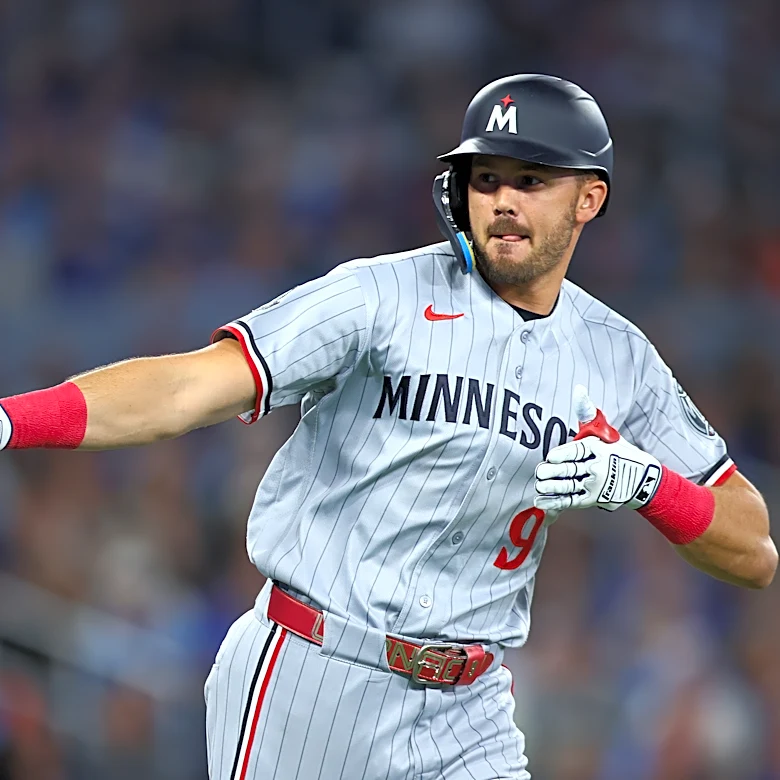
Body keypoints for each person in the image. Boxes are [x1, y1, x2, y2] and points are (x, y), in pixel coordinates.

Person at [0, 74, 776, 780]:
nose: (502, 200)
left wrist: (646, 485)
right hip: (314, 672)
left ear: (589, 199)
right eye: (487, 178)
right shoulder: (377, 297)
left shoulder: (619, 358)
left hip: (470, 707)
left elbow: (754, 549)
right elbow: (186, 388)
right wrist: (10, 421)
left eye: (532, 180)